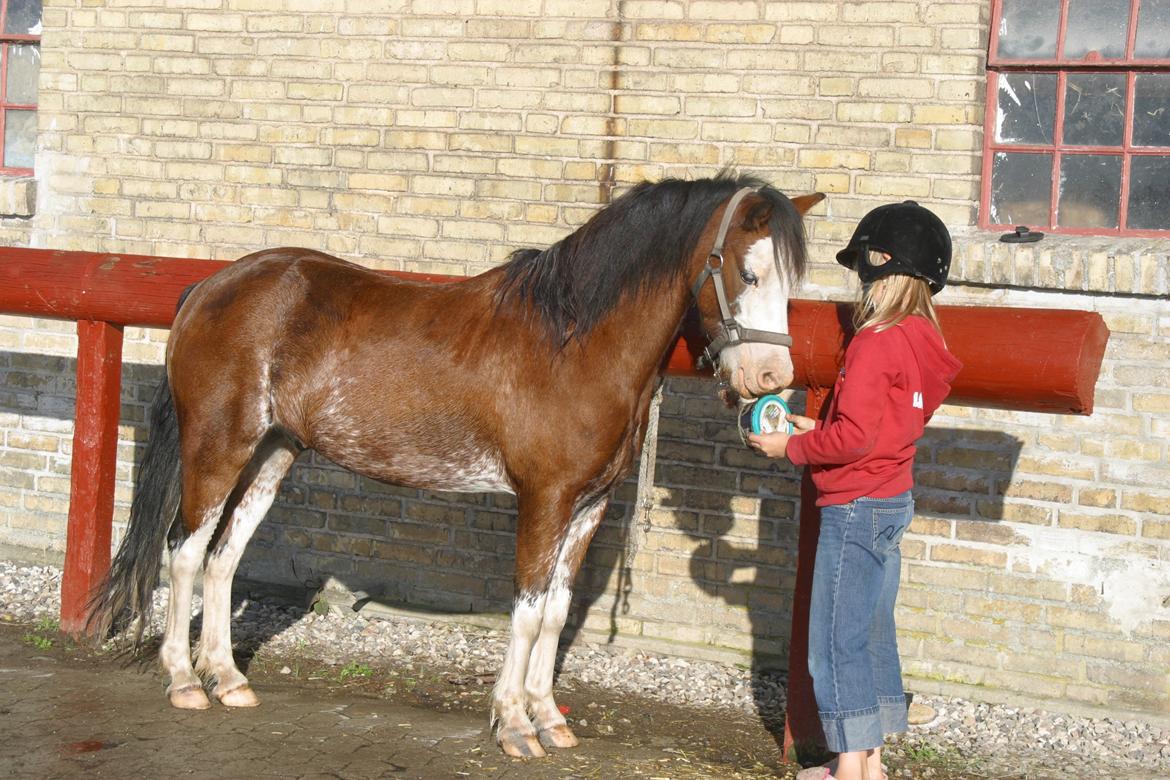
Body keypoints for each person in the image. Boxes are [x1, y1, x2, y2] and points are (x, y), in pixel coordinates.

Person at [747, 201, 963, 780]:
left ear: (882, 266)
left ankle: (848, 771)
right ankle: (872, 762)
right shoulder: (923, 340)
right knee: (869, 633)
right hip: (892, 501)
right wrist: (819, 428)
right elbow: (884, 429)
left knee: (834, 645)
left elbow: (852, 442)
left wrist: (789, 448)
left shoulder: (874, 341)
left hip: (854, 505)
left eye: (864, 264)